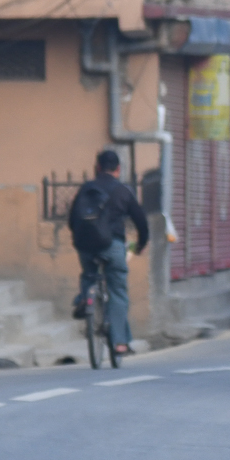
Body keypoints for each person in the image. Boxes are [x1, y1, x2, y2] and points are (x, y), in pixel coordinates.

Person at [68, 150, 149, 356]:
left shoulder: (86, 188)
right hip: (112, 245)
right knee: (117, 291)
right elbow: (141, 221)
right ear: (118, 169)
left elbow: (72, 219)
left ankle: (84, 298)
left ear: (97, 168)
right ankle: (120, 344)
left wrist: (80, 239)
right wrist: (140, 245)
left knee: (88, 275)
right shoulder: (123, 191)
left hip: (85, 245)